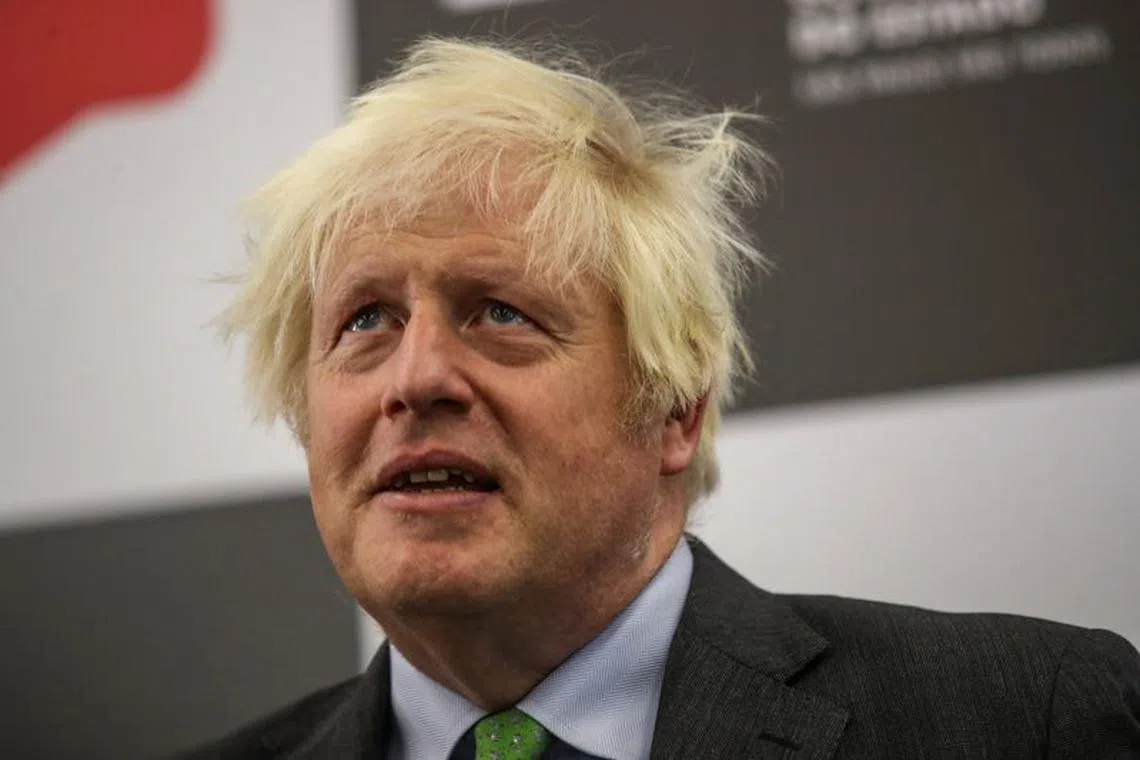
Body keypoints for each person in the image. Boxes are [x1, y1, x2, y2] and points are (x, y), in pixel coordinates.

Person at [184, 36, 1140, 759]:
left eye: (501, 312)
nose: (417, 376)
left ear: (675, 407)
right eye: (364, 324)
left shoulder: (1032, 718)